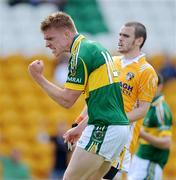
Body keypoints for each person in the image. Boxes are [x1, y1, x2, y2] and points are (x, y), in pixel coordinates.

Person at [28, 11, 130, 180]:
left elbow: (67, 100)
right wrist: (80, 127)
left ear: (67, 34)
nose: (47, 44)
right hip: (117, 127)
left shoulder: (80, 54)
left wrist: (38, 78)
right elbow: (103, 100)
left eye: (50, 38)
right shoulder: (93, 47)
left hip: (104, 127)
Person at [63, 22, 158, 179]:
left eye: (126, 36)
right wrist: (78, 123)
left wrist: (113, 120)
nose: (120, 39)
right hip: (97, 128)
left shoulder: (146, 71)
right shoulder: (111, 62)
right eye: (119, 35)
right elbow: (96, 98)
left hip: (120, 136)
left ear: (139, 41)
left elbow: (142, 110)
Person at [128, 74, 173, 180]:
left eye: (152, 85)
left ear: (160, 86)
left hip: (151, 161)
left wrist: (140, 132)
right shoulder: (146, 105)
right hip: (139, 157)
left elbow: (166, 143)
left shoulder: (160, 109)